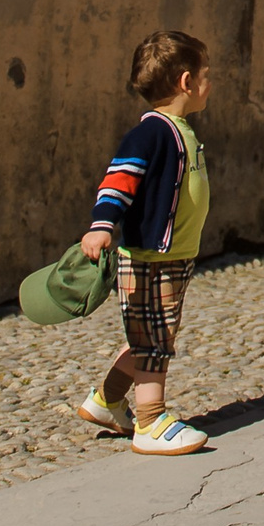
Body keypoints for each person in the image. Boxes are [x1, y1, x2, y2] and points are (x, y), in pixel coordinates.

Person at [74, 30, 213, 456]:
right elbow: (119, 180)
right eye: (206, 75)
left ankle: (106, 400)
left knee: (149, 333)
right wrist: (102, 225)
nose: (209, 83)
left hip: (174, 256)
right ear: (186, 82)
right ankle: (151, 422)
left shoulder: (179, 130)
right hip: (152, 257)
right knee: (155, 340)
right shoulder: (151, 133)